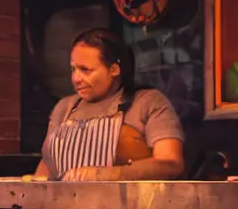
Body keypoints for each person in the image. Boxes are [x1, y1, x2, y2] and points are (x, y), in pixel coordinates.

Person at [34, 28, 186, 182]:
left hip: (124, 198)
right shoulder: (65, 107)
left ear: (114, 70)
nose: (76, 78)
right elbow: (47, 167)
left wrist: (111, 174)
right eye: (73, 69)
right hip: (65, 198)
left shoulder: (148, 102)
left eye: (85, 70)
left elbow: (170, 164)